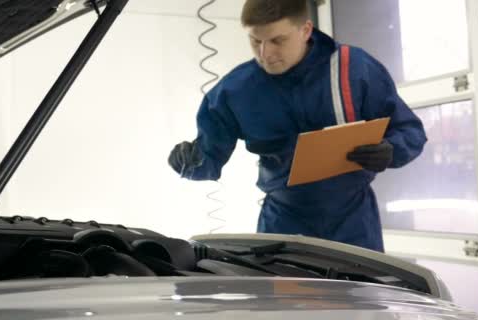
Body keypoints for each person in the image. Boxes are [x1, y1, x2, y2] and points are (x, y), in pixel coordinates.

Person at [168, 0, 426, 252]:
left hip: (354, 221)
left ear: (305, 30)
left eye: (277, 41)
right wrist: (187, 161)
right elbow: (208, 159)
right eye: (255, 41)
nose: (264, 54)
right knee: (284, 296)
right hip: (283, 222)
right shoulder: (236, 90)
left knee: (360, 294)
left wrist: (391, 149)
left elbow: (410, 132)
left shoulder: (354, 69)